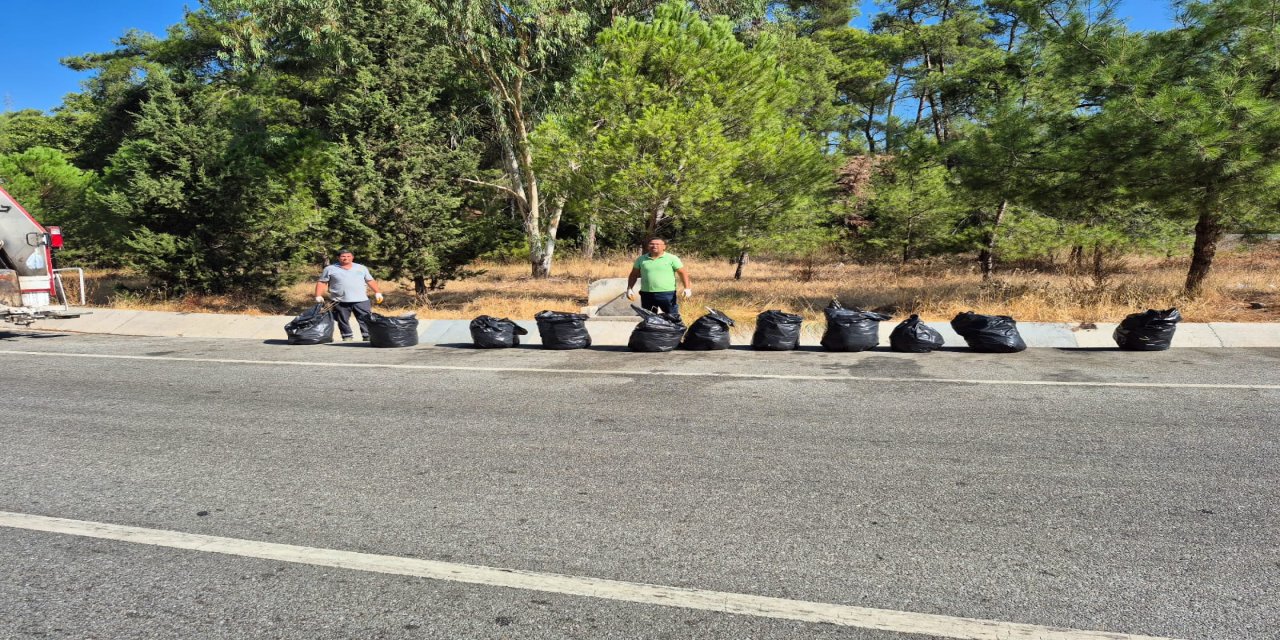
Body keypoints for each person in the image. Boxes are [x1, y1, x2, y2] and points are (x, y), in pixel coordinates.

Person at [315, 249, 384, 342]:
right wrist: (318, 295)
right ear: (338, 258)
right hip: (339, 300)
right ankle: (347, 336)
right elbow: (322, 282)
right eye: (343, 256)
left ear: (352, 257)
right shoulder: (330, 269)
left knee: (365, 318)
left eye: (348, 256)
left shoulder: (361, 268)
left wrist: (377, 292)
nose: (346, 258)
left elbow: (370, 281)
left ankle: (367, 336)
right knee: (342, 320)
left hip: (361, 299)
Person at [625, 238, 692, 317]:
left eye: (657, 244)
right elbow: (634, 274)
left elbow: (683, 273)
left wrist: (687, 288)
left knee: (671, 316)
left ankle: (673, 329)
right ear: (648, 246)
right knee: (648, 317)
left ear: (664, 247)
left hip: (667, 294)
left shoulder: (672, 258)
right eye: (652, 244)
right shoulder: (641, 259)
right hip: (646, 294)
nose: (654, 246)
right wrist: (629, 288)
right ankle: (653, 330)